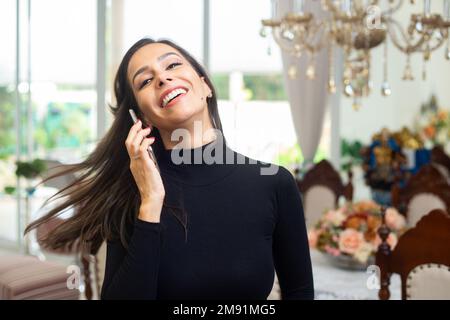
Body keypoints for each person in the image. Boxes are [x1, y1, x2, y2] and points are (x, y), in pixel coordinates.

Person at [25, 38, 314, 300]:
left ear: (206, 85)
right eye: (145, 81)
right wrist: (150, 203)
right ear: (142, 118)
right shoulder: (133, 196)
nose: (163, 77)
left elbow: (299, 292)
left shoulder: (274, 183)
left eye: (173, 64)